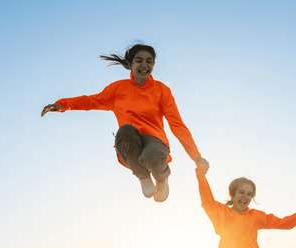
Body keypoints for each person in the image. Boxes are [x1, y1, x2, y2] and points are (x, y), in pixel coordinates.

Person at [41, 43, 209, 202]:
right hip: (130, 144)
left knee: (151, 155)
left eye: (149, 61)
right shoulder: (118, 89)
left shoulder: (161, 90)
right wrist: (63, 104)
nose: (144, 65)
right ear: (130, 64)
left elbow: (177, 125)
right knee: (125, 131)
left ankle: (161, 178)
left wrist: (197, 157)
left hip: (155, 142)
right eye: (139, 60)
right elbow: (91, 101)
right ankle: (143, 176)